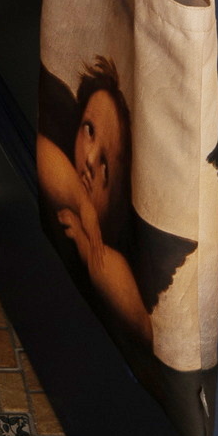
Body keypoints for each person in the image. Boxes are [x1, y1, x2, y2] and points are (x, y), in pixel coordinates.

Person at [35, 54, 152, 349]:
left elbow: (143, 326)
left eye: (105, 166)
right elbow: (47, 156)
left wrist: (87, 246)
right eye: (88, 130)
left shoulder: (122, 251)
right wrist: (83, 204)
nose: (88, 159)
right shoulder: (62, 149)